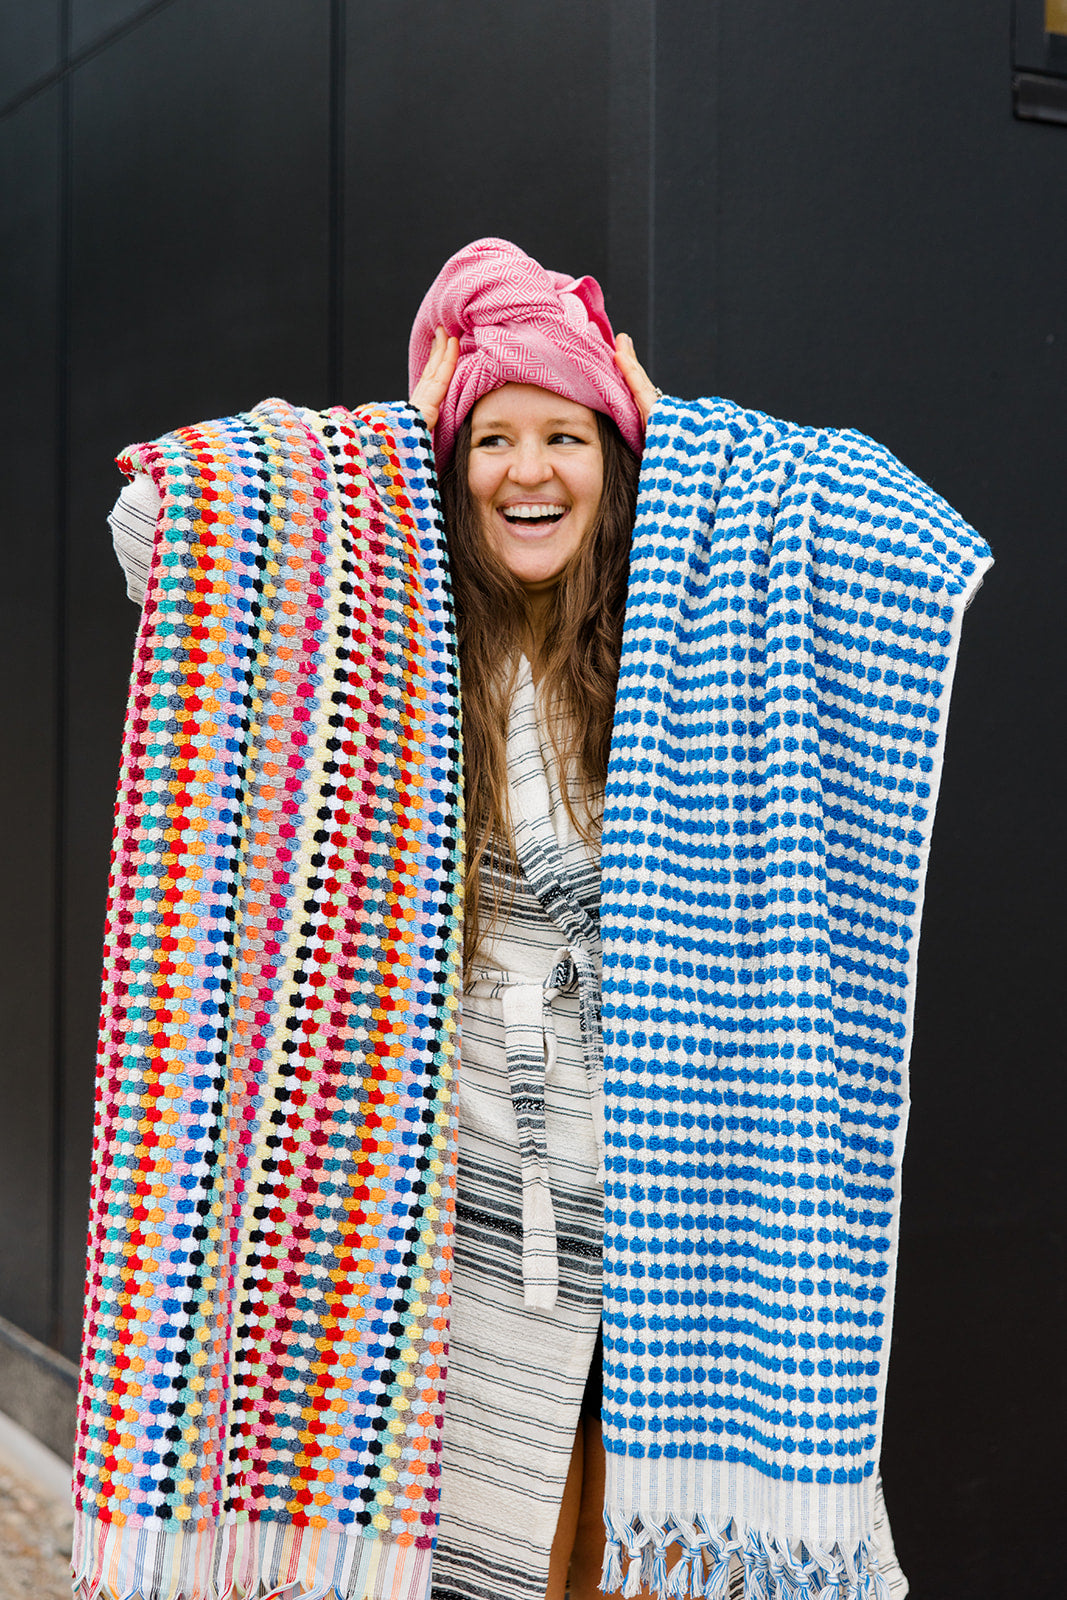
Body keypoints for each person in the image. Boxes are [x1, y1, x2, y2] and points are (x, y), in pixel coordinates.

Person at [103, 237, 967, 1600]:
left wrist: (681, 429)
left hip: (649, 1203)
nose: (529, 471)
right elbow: (155, 530)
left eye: (567, 435)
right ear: (452, 467)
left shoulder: (689, 632)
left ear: (616, 462)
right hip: (443, 1206)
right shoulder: (389, 627)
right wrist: (376, 445)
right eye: (493, 438)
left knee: (606, 1558)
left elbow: (910, 528)